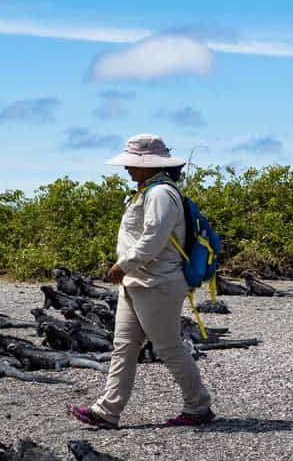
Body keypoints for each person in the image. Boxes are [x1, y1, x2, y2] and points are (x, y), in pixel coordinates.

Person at [68, 133, 214, 429]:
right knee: (124, 345)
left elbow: (154, 237)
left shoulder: (161, 194)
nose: (127, 168)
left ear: (150, 165)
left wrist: (123, 265)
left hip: (157, 282)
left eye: (133, 163)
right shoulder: (148, 191)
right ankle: (107, 411)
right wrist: (128, 270)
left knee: (168, 347)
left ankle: (199, 406)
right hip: (138, 282)